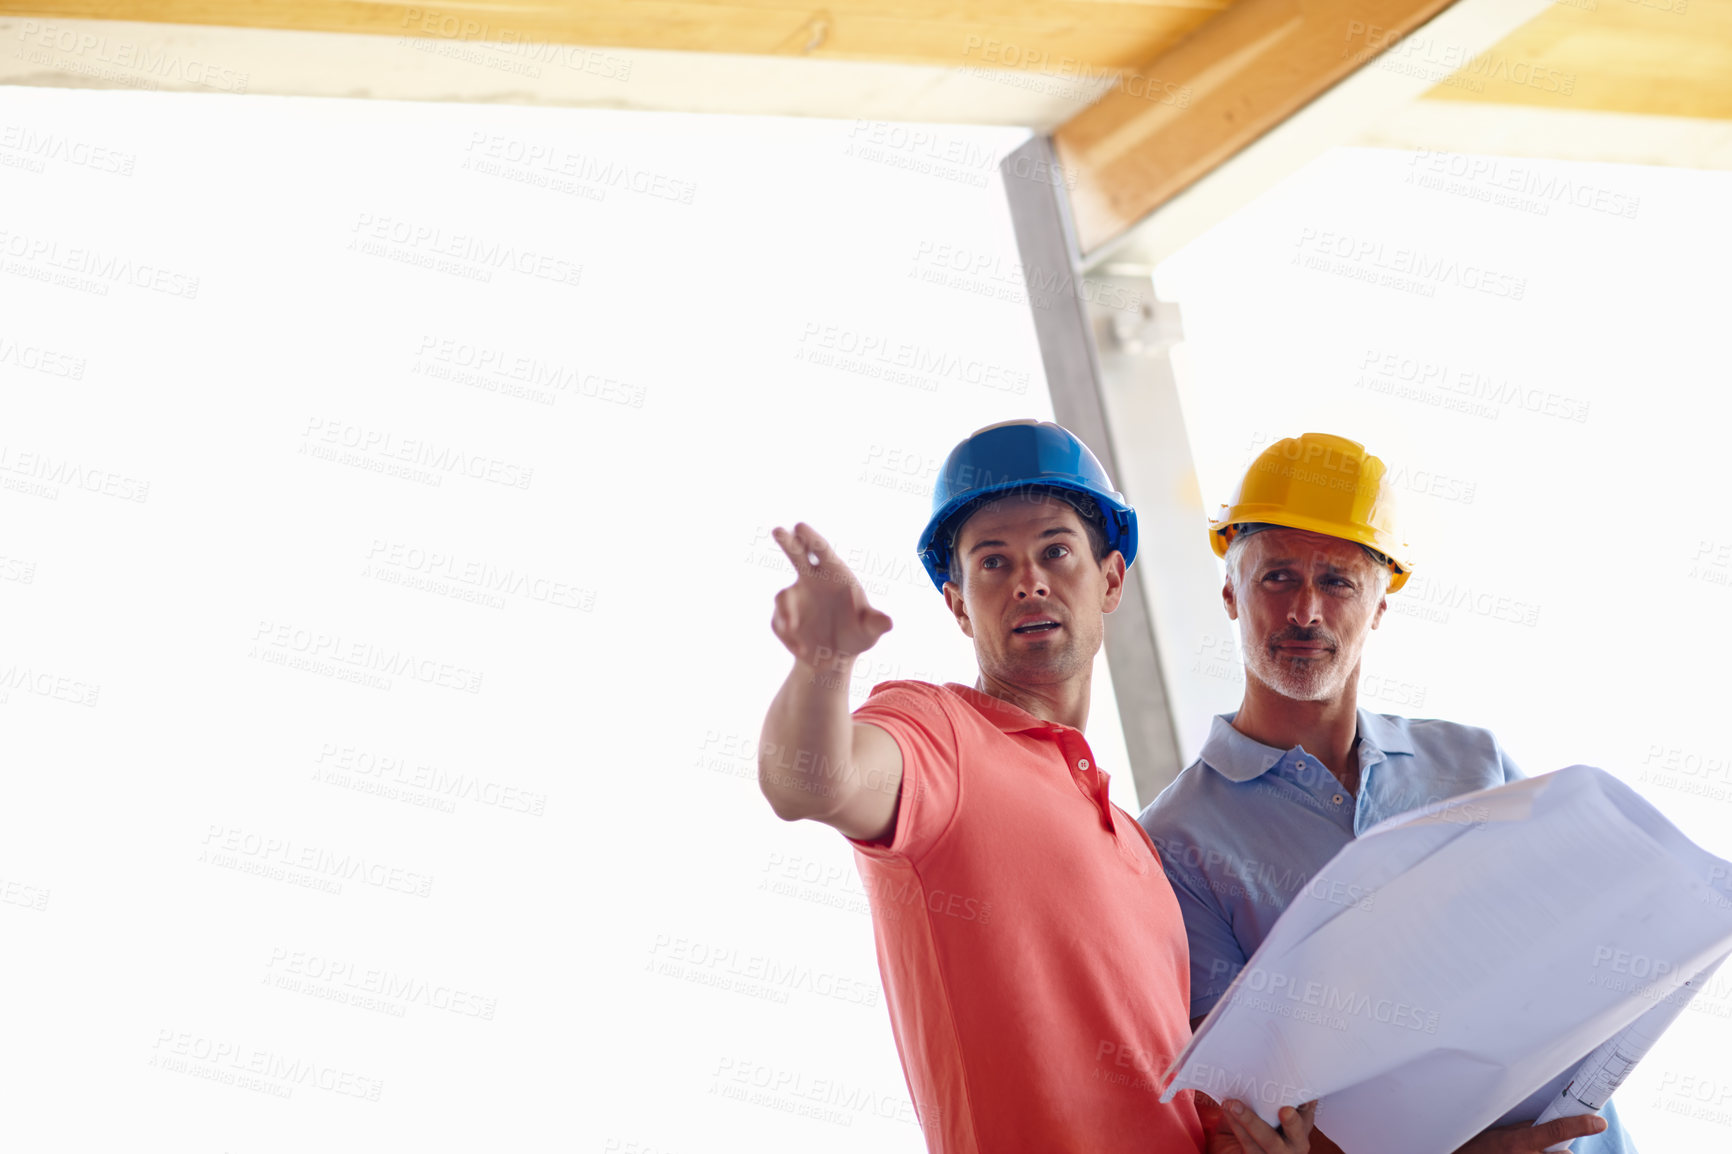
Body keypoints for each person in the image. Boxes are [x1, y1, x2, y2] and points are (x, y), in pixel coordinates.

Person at [757, 419, 1316, 1154]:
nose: (1028, 580)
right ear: (958, 605)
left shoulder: (1139, 847)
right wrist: (824, 662)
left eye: (1056, 550)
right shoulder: (938, 734)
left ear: (1111, 579)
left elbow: (1179, 1097)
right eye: (993, 563)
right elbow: (809, 783)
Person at [1138, 432, 1636, 1154]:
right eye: (1276, 577)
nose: (1306, 610)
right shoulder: (1176, 844)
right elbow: (1254, 1121)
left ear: (1379, 605)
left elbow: (1572, 958)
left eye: (1338, 581)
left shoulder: (1476, 763)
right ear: (1228, 593)